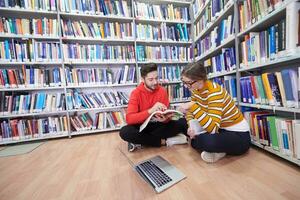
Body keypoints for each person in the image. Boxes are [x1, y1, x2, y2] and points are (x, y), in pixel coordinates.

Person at [179, 62, 250, 163]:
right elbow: (191, 112)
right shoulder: (195, 89)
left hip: (238, 135)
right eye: (184, 82)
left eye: (189, 83)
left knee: (205, 141)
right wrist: (191, 126)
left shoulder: (215, 92)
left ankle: (218, 149)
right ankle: (219, 150)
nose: (186, 86)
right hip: (220, 129)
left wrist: (193, 106)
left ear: (200, 80)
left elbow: (212, 128)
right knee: (183, 124)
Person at [119, 63, 188, 152]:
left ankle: (142, 140)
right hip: (142, 126)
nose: (155, 82)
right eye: (151, 79)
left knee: (183, 122)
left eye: (156, 78)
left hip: (158, 126)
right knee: (125, 132)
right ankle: (161, 141)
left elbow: (166, 115)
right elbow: (130, 119)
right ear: (143, 79)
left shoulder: (162, 91)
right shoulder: (136, 93)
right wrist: (150, 111)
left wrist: (165, 119)